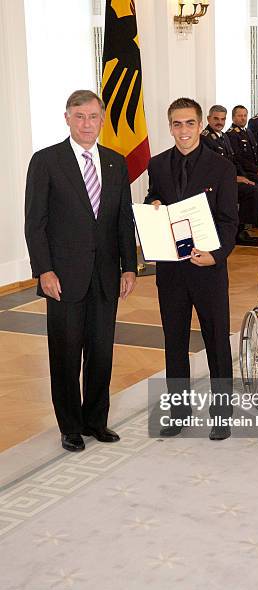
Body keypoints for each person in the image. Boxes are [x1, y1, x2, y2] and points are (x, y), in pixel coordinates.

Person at [25, 90, 137, 452]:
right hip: (64, 277)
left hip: (106, 276)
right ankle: (70, 425)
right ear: (67, 118)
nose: (87, 124)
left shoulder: (115, 163)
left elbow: (122, 220)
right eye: (80, 116)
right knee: (66, 353)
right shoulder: (46, 161)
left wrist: (128, 267)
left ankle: (95, 421)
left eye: (93, 117)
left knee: (101, 352)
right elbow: (35, 224)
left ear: (102, 120)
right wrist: (44, 270)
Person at [145, 98, 238, 440]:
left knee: (216, 341)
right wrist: (152, 204)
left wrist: (217, 255)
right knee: (174, 342)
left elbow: (230, 221)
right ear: (169, 127)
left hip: (209, 269)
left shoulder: (221, 167)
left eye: (189, 123)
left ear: (200, 125)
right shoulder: (157, 164)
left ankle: (222, 414)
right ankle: (179, 411)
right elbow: (153, 198)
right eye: (176, 124)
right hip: (171, 270)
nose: (183, 131)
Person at [202, 104, 258, 245]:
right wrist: (236, 178)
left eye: (222, 119)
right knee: (252, 191)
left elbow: (233, 162)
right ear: (208, 119)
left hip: (229, 179)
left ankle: (245, 227)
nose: (220, 122)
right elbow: (210, 167)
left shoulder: (223, 137)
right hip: (216, 184)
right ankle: (237, 232)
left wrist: (245, 177)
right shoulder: (205, 138)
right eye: (216, 119)